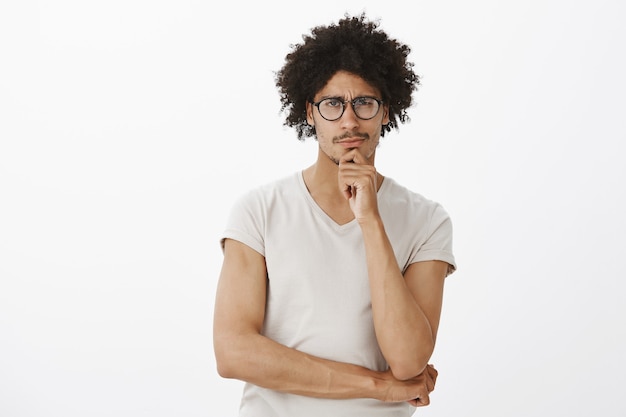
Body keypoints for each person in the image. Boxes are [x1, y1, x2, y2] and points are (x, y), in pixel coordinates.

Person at [213, 13, 456, 417]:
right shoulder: (259, 211)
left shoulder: (427, 221)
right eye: (332, 104)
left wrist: (371, 221)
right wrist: (376, 386)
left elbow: (409, 361)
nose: (348, 120)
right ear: (309, 113)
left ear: (386, 112)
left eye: (364, 102)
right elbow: (233, 352)